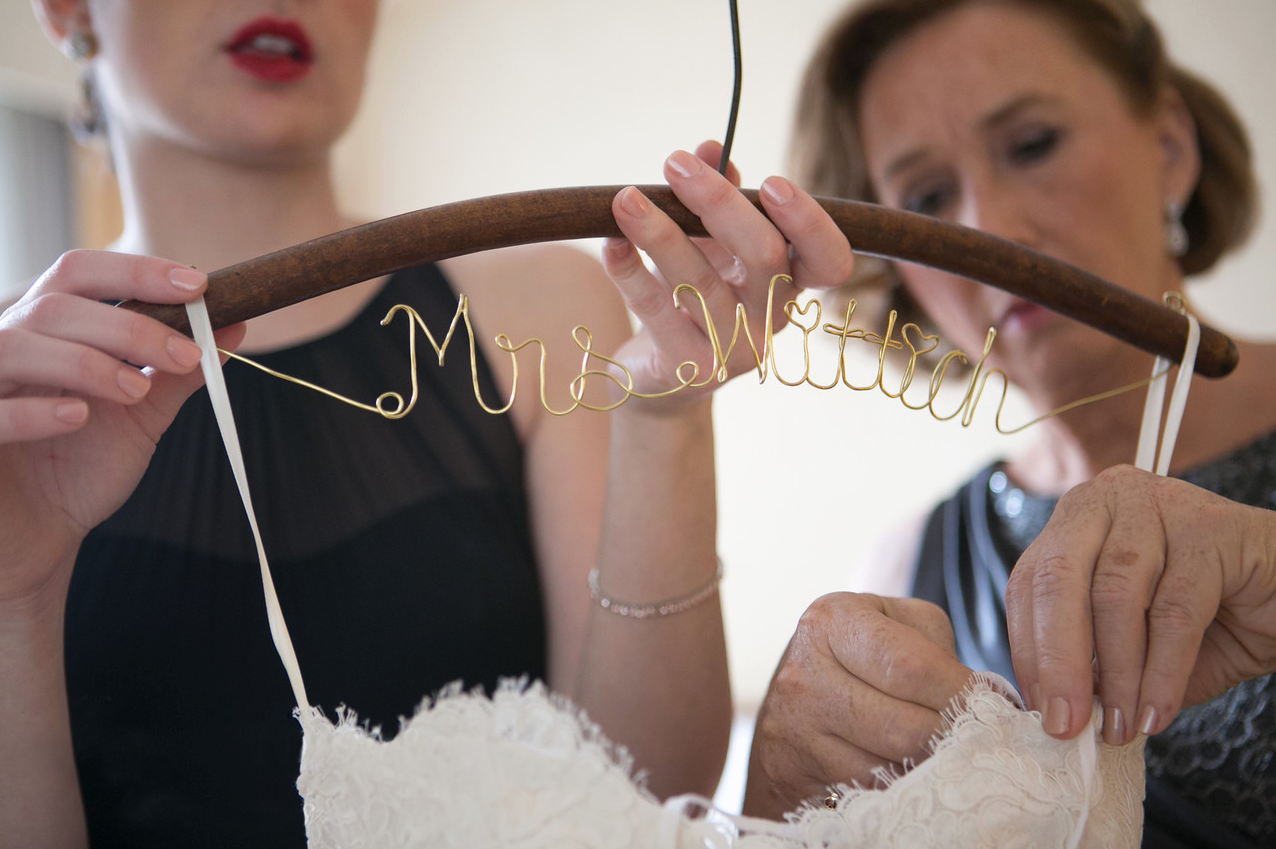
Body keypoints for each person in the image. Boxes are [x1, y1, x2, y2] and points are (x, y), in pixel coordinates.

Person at [0, 1, 856, 846]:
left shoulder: (546, 313)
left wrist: (664, 417)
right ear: (67, 8)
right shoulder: (14, 408)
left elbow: (643, 795)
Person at [740, 2, 1276, 847]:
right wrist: (777, 801)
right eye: (925, 196)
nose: (988, 227)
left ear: (1169, 148)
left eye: (1031, 145)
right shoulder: (905, 569)